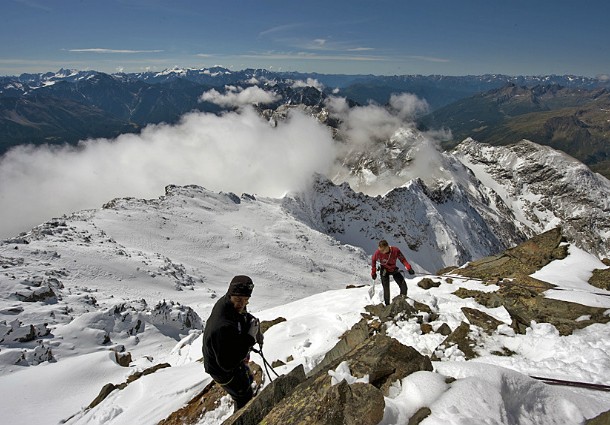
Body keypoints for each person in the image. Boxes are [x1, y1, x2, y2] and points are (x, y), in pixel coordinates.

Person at [202, 275, 263, 411]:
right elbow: (227, 364)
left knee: (244, 384)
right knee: (243, 396)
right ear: (231, 295)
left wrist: (252, 325)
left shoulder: (229, 304)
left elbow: (241, 315)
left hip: (225, 357)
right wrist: (250, 338)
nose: (241, 304)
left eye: (246, 300)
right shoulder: (221, 326)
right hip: (221, 370)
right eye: (238, 300)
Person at [371, 240, 415, 306]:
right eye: (380, 250)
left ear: (387, 247)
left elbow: (402, 259)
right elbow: (373, 260)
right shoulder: (378, 252)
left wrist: (409, 268)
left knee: (403, 287)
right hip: (384, 270)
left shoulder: (395, 250)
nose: (381, 252)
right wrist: (373, 272)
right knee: (386, 289)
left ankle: (401, 302)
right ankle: (387, 306)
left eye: (382, 250)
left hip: (393, 269)